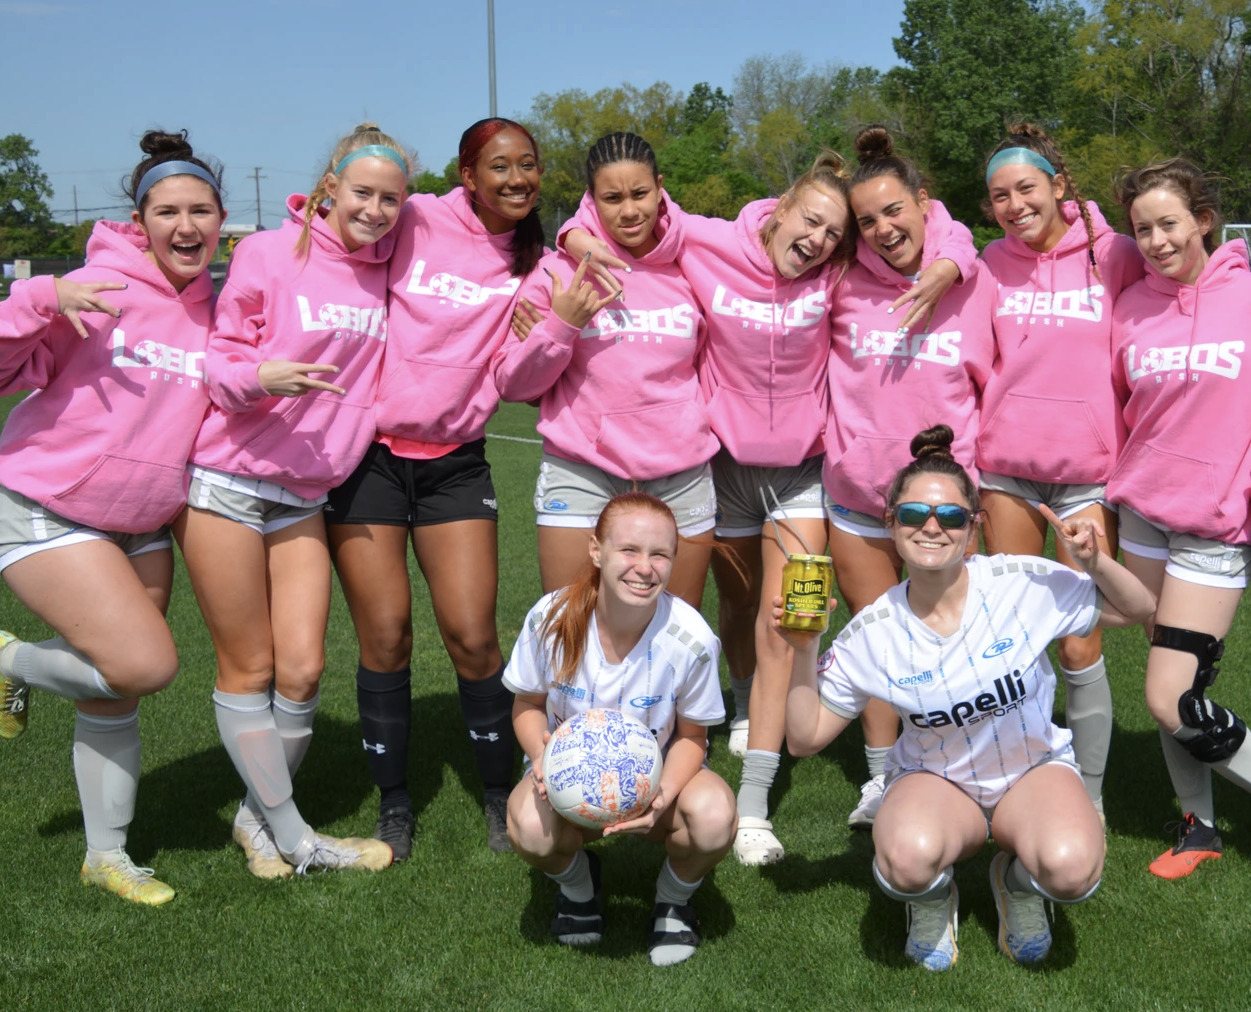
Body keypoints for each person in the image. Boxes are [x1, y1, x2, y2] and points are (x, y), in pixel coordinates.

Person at [657, 152, 967, 866]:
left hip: (800, 478)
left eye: (836, 232)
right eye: (812, 222)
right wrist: (577, 242)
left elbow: (941, 226)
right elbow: (624, 215)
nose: (822, 240)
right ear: (780, 208)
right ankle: (737, 707)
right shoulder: (714, 245)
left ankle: (756, 810)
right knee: (732, 609)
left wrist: (949, 262)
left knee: (789, 626)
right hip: (722, 468)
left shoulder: (839, 275)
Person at [783, 426, 1156, 970]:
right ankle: (934, 897)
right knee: (905, 861)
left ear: (973, 527)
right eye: (912, 515)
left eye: (952, 517)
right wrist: (801, 649)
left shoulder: (1020, 582)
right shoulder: (872, 631)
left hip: (1032, 771)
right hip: (936, 782)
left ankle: (1017, 881)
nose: (932, 527)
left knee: (1072, 871)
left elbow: (1138, 607)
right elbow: (804, 737)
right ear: (890, 523)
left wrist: (1095, 561)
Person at [177, 124, 407, 876]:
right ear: (330, 187)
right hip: (230, 481)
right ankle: (299, 839)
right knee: (249, 669)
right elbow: (219, 362)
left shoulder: (385, 270)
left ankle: (255, 819)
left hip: (305, 493)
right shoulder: (269, 253)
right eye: (362, 193)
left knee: (304, 670)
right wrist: (261, 379)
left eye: (391, 198)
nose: (375, 210)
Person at [0, 131, 222, 904]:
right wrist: (38, 299)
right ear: (141, 219)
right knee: (145, 665)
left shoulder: (218, 308)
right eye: (169, 212)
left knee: (112, 692)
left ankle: (107, 856)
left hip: (142, 524)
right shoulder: (97, 285)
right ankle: (10, 662)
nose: (186, 226)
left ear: (221, 219)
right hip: (46, 506)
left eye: (201, 210)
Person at [327, 117, 546, 861]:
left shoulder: (534, 255)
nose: (516, 179)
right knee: (385, 635)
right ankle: (395, 804)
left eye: (529, 166)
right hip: (370, 459)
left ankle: (498, 792)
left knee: (474, 636)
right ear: (466, 174)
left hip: (457, 461)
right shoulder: (416, 217)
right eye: (500, 167)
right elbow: (343, 226)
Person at [1106, 159, 1251, 878]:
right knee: (1172, 687)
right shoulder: (1129, 307)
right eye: (1142, 229)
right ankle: (1197, 824)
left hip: (1214, 525)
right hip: (1141, 518)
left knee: (1169, 694)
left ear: (1203, 218)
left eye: (1169, 223)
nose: (1157, 240)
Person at [825, 125, 994, 828]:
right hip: (861, 497)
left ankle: (972, 769)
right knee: (877, 641)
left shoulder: (972, 281)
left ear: (926, 204)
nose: (884, 228)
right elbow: (762, 228)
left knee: (961, 641)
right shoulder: (842, 281)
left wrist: (952, 258)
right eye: (867, 219)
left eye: (895, 210)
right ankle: (882, 776)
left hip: (946, 509)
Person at [974, 123, 1145, 815]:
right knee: (1015, 640)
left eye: (1026, 188)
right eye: (998, 196)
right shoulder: (988, 260)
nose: (1014, 205)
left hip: (1085, 475)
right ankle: (1019, 775)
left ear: (1058, 186)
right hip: (1006, 472)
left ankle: (1091, 795)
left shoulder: (1117, 255)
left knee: (1078, 642)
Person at [503, 492, 735, 967]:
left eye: (660, 555)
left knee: (714, 818)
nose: (644, 568)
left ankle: (673, 901)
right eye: (629, 550)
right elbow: (526, 705)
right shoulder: (551, 618)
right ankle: (579, 888)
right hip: (567, 783)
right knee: (528, 827)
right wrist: (541, 760)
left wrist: (662, 796)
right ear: (597, 551)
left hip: (657, 777)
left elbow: (692, 737)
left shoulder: (691, 638)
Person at [500, 131, 717, 607]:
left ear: (660, 187)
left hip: (680, 473)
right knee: (567, 628)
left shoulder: (694, 264)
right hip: (582, 471)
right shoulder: (558, 271)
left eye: (640, 194)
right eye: (612, 198)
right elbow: (512, 384)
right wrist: (561, 326)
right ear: (591, 200)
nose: (630, 211)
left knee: (674, 635)